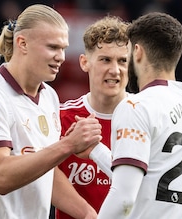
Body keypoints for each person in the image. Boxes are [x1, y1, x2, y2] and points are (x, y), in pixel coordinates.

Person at [0, 4, 102, 219]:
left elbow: (46, 173)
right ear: (22, 43)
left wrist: (89, 215)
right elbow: (1, 176)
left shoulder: (49, 96)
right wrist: (68, 144)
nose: (61, 57)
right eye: (53, 47)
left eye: (63, 48)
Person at [79, 12, 182, 218]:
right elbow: (154, 178)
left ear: (137, 51)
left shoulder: (136, 106)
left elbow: (124, 197)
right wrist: (96, 151)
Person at [55, 15, 130, 219]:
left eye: (122, 61)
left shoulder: (146, 116)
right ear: (84, 62)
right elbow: (39, 172)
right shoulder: (62, 118)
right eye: (105, 59)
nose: (115, 70)